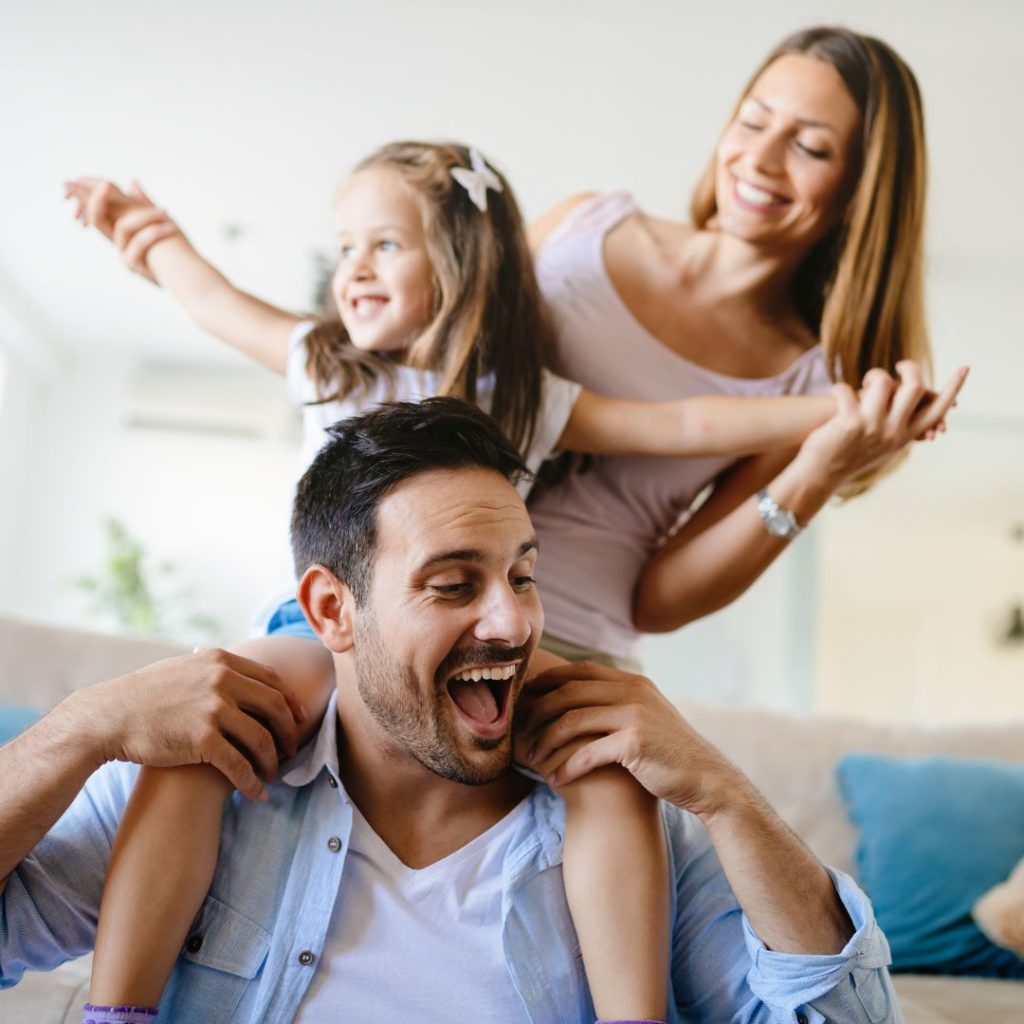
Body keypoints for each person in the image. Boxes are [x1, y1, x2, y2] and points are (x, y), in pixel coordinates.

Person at [62, 140, 901, 1023]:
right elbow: (214, 302)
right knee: (206, 736)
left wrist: (840, 412)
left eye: (384, 245)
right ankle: (117, 1011)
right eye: (346, 248)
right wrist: (150, 238)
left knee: (606, 774)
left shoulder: (531, 398)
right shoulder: (329, 361)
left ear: (461, 262)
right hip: (323, 642)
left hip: (479, 661)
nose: (354, 269)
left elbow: (689, 420)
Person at [2, 397, 902, 1024]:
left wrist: (728, 798)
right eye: (453, 584)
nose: (512, 621)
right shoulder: (215, 769)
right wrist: (79, 728)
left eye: (523, 575)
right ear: (330, 611)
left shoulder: (632, 817)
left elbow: (846, 1022)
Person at [526, 25, 955, 667]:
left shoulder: (807, 383)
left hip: (566, 646)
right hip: (412, 594)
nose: (760, 159)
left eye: (810, 147)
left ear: (858, 193)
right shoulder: (579, 226)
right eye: (753, 123)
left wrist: (819, 470)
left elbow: (659, 603)